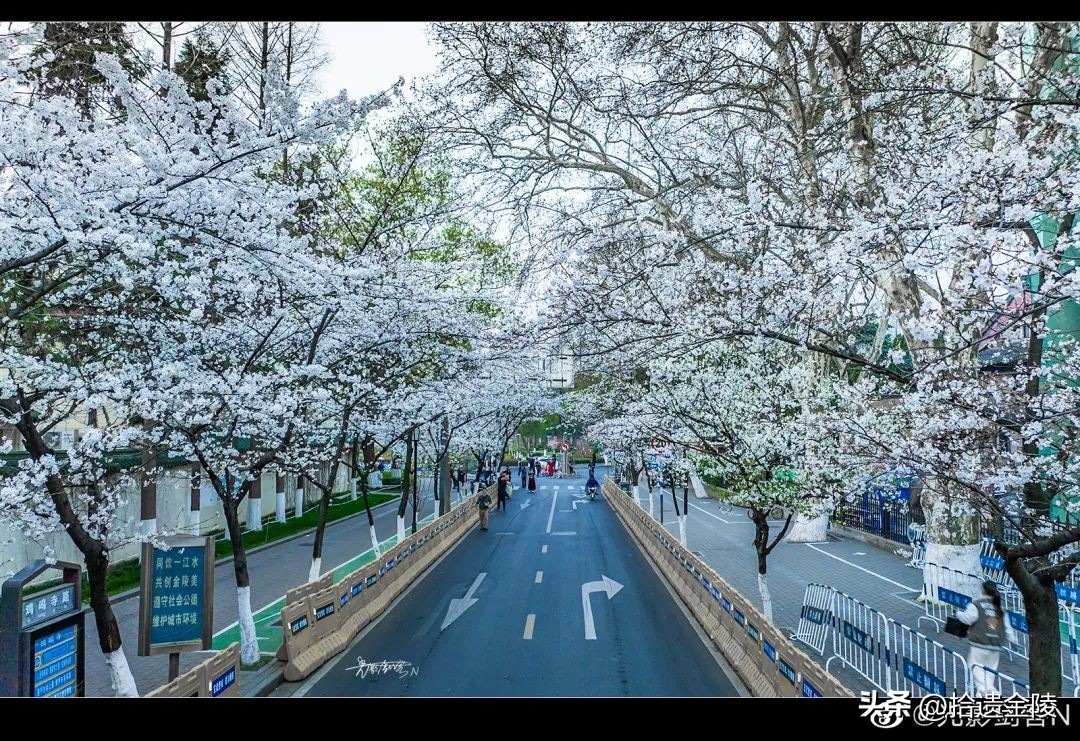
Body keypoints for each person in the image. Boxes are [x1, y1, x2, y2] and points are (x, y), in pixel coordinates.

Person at [957, 580, 1017, 695]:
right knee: (990, 672)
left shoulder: (976, 605)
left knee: (976, 669)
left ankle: (989, 692)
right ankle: (985, 694)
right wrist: (1013, 641)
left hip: (979, 644)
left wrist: (958, 614)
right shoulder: (1000, 608)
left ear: (983, 590)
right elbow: (1008, 628)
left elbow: (968, 619)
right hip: (995, 645)